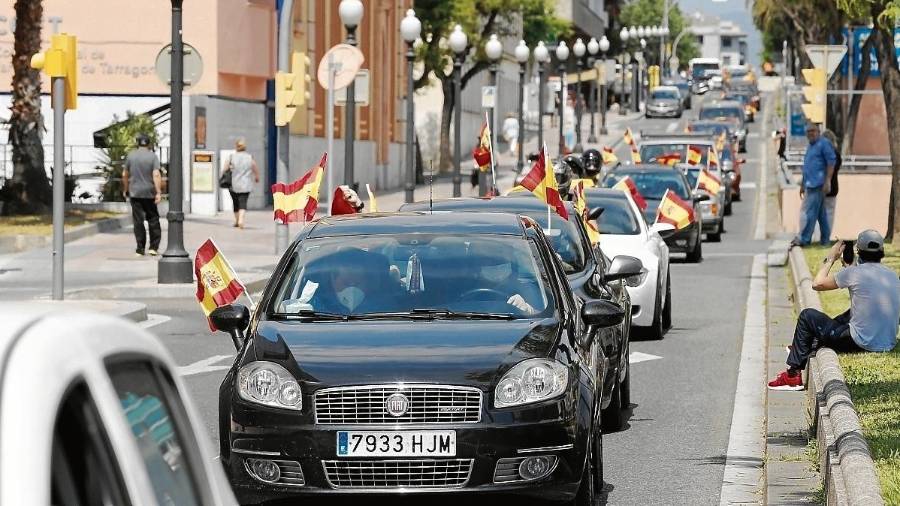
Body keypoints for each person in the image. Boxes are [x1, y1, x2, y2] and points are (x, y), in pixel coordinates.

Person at [769, 231, 900, 390]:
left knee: (807, 316)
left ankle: (792, 375)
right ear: (882, 253)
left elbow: (817, 284)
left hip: (860, 342)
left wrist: (831, 258)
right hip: (887, 342)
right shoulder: (892, 276)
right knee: (851, 313)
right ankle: (802, 348)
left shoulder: (853, 273)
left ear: (859, 252)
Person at [792, 123, 836, 247]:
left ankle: (805, 239)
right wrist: (802, 185)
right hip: (810, 184)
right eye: (808, 131)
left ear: (818, 131)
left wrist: (828, 180)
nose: (810, 133)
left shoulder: (824, 144)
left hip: (818, 184)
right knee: (821, 215)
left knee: (809, 213)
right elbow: (807, 167)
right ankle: (825, 240)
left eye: (813, 131)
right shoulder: (811, 146)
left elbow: (831, 162)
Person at [122, 134, 162, 256]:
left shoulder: (131, 156)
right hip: (149, 193)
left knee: (138, 221)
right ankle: (153, 247)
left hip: (135, 192)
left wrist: (126, 189)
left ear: (137, 143)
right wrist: (158, 192)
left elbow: (124, 174)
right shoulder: (153, 156)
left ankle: (140, 248)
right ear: (149, 143)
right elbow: (156, 174)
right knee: (153, 219)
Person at [224, 138, 260, 229]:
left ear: (236, 147)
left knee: (235, 202)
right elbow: (255, 168)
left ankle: (236, 221)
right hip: (246, 184)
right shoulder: (249, 157)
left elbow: (225, 169)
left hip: (233, 183)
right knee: (243, 202)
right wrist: (256, 177)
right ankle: (241, 220)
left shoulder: (231, 157)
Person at [821, 130, 842, 242]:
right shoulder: (836, 154)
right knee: (829, 214)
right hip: (833, 188)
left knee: (818, 214)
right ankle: (826, 236)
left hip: (821, 188)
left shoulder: (822, 154)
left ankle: (819, 236)